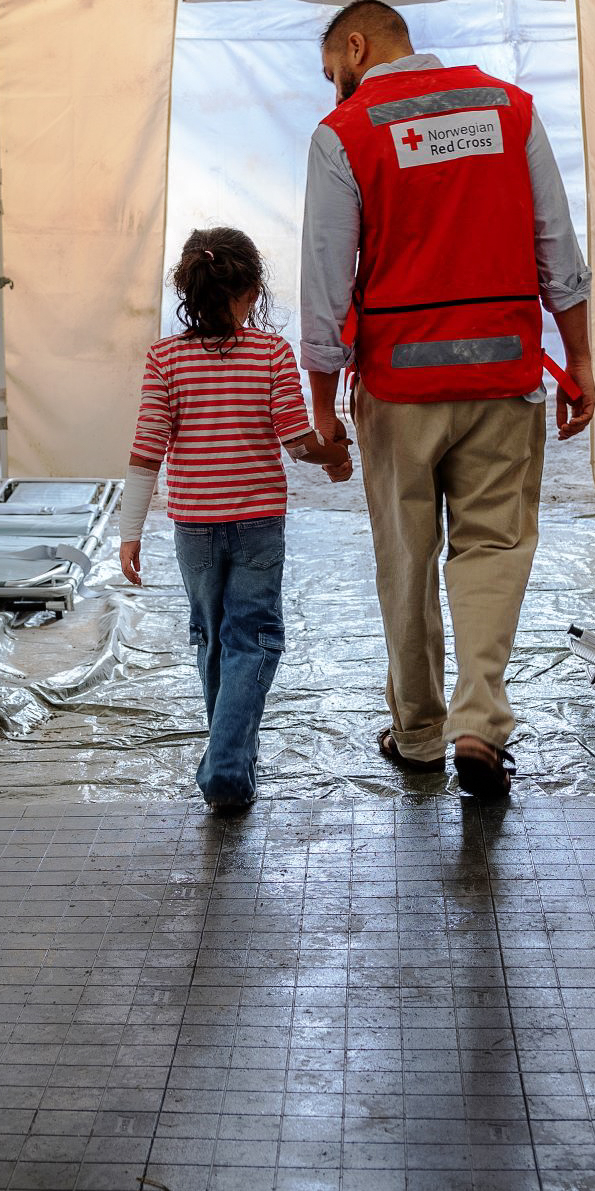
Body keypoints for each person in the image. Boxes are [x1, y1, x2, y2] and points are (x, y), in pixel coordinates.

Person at [300, 0, 595, 801]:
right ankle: (479, 722)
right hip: (504, 376)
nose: (336, 92)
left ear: (357, 47)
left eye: (335, 73)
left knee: (407, 557)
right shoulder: (511, 108)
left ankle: (423, 732)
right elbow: (556, 248)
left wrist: (322, 407)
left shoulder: (348, 134)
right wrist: (583, 358)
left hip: (399, 390)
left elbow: (326, 284)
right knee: (493, 550)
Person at [111, 229, 353, 814]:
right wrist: (338, 453)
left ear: (189, 290)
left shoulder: (164, 359)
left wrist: (129, 533)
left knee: (212, 638)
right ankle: (225, 767)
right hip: (257, 525)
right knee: (253, 639)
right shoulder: (271, 354)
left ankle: (230, 766)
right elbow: (299, 443)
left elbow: (147, 452)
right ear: (249, 290)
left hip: (193, 526)